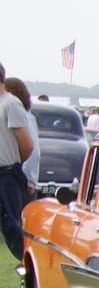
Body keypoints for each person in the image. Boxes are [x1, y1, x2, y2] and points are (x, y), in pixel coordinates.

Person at [0, 62, 34, 261]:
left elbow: (27, 144)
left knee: (12, 226)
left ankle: (28, 263)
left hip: (6, 174)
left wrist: (14, 166)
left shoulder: (11, 104)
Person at [3, 77, 38, 201]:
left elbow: (30, 149)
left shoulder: (22, 117)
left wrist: (18, 172)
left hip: (20, 183)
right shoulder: (27, 117)